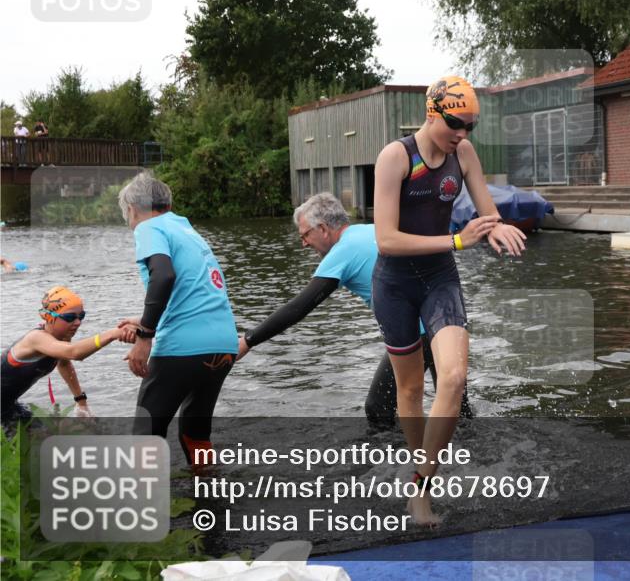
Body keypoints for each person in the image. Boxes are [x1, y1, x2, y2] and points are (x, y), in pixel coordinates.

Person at [372, 75, 526, 525]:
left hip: (440, 278)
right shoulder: (396, 157)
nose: (462, 133)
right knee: (411, 388)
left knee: (455, 378)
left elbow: (486, 209)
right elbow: (385, 239)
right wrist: (457, 241)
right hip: (396, 284)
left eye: (470, 126)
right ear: (431, 112)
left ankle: (421, 485)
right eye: (456, 123)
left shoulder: (463, 154)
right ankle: (417, 462)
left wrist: (495, 227)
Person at [235, 193, 473, 426]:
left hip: (418, 330)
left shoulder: (342, 252)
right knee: (456, 410)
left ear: (323, 229)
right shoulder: (373, 230)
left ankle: (394, 463)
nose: (303, 243)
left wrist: (249, 340)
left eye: (305, 235)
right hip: (445, 321)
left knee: (378, 408)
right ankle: (474, 457)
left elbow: (299, 307)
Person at [117, 172, 238, 466]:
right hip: (223, 344)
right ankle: (211, 500)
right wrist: (144, 318)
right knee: (194, 432)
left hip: (185, 345)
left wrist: (145, 336)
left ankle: (139, 508)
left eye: (126, 215)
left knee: (144, 435)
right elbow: (193, 289)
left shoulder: (148, 228)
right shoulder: (185, 229)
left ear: (132, 208)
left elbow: (164, 275)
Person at [2, 286, 129, 431]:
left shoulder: (62, 338)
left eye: (81, 316)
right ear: (48, 317)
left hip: (8, 406)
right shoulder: (36, 338)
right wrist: (112, 334)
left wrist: (81, 402)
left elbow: (64, 364)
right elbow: (74, 353)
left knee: (48, 441)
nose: (77, 322)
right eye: (69, 317)